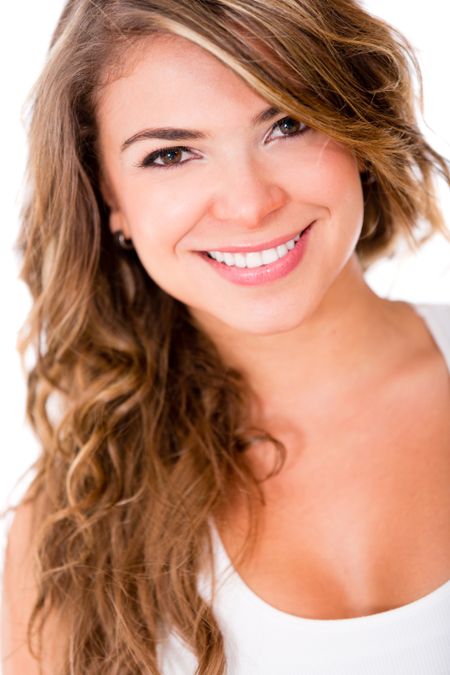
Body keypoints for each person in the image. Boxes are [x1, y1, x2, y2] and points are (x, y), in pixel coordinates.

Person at [2, 0, 450, 673]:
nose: (248, 203)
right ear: (109, 201)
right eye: (172, 153)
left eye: (287, 123)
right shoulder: (74, 528)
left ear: (358, 127)